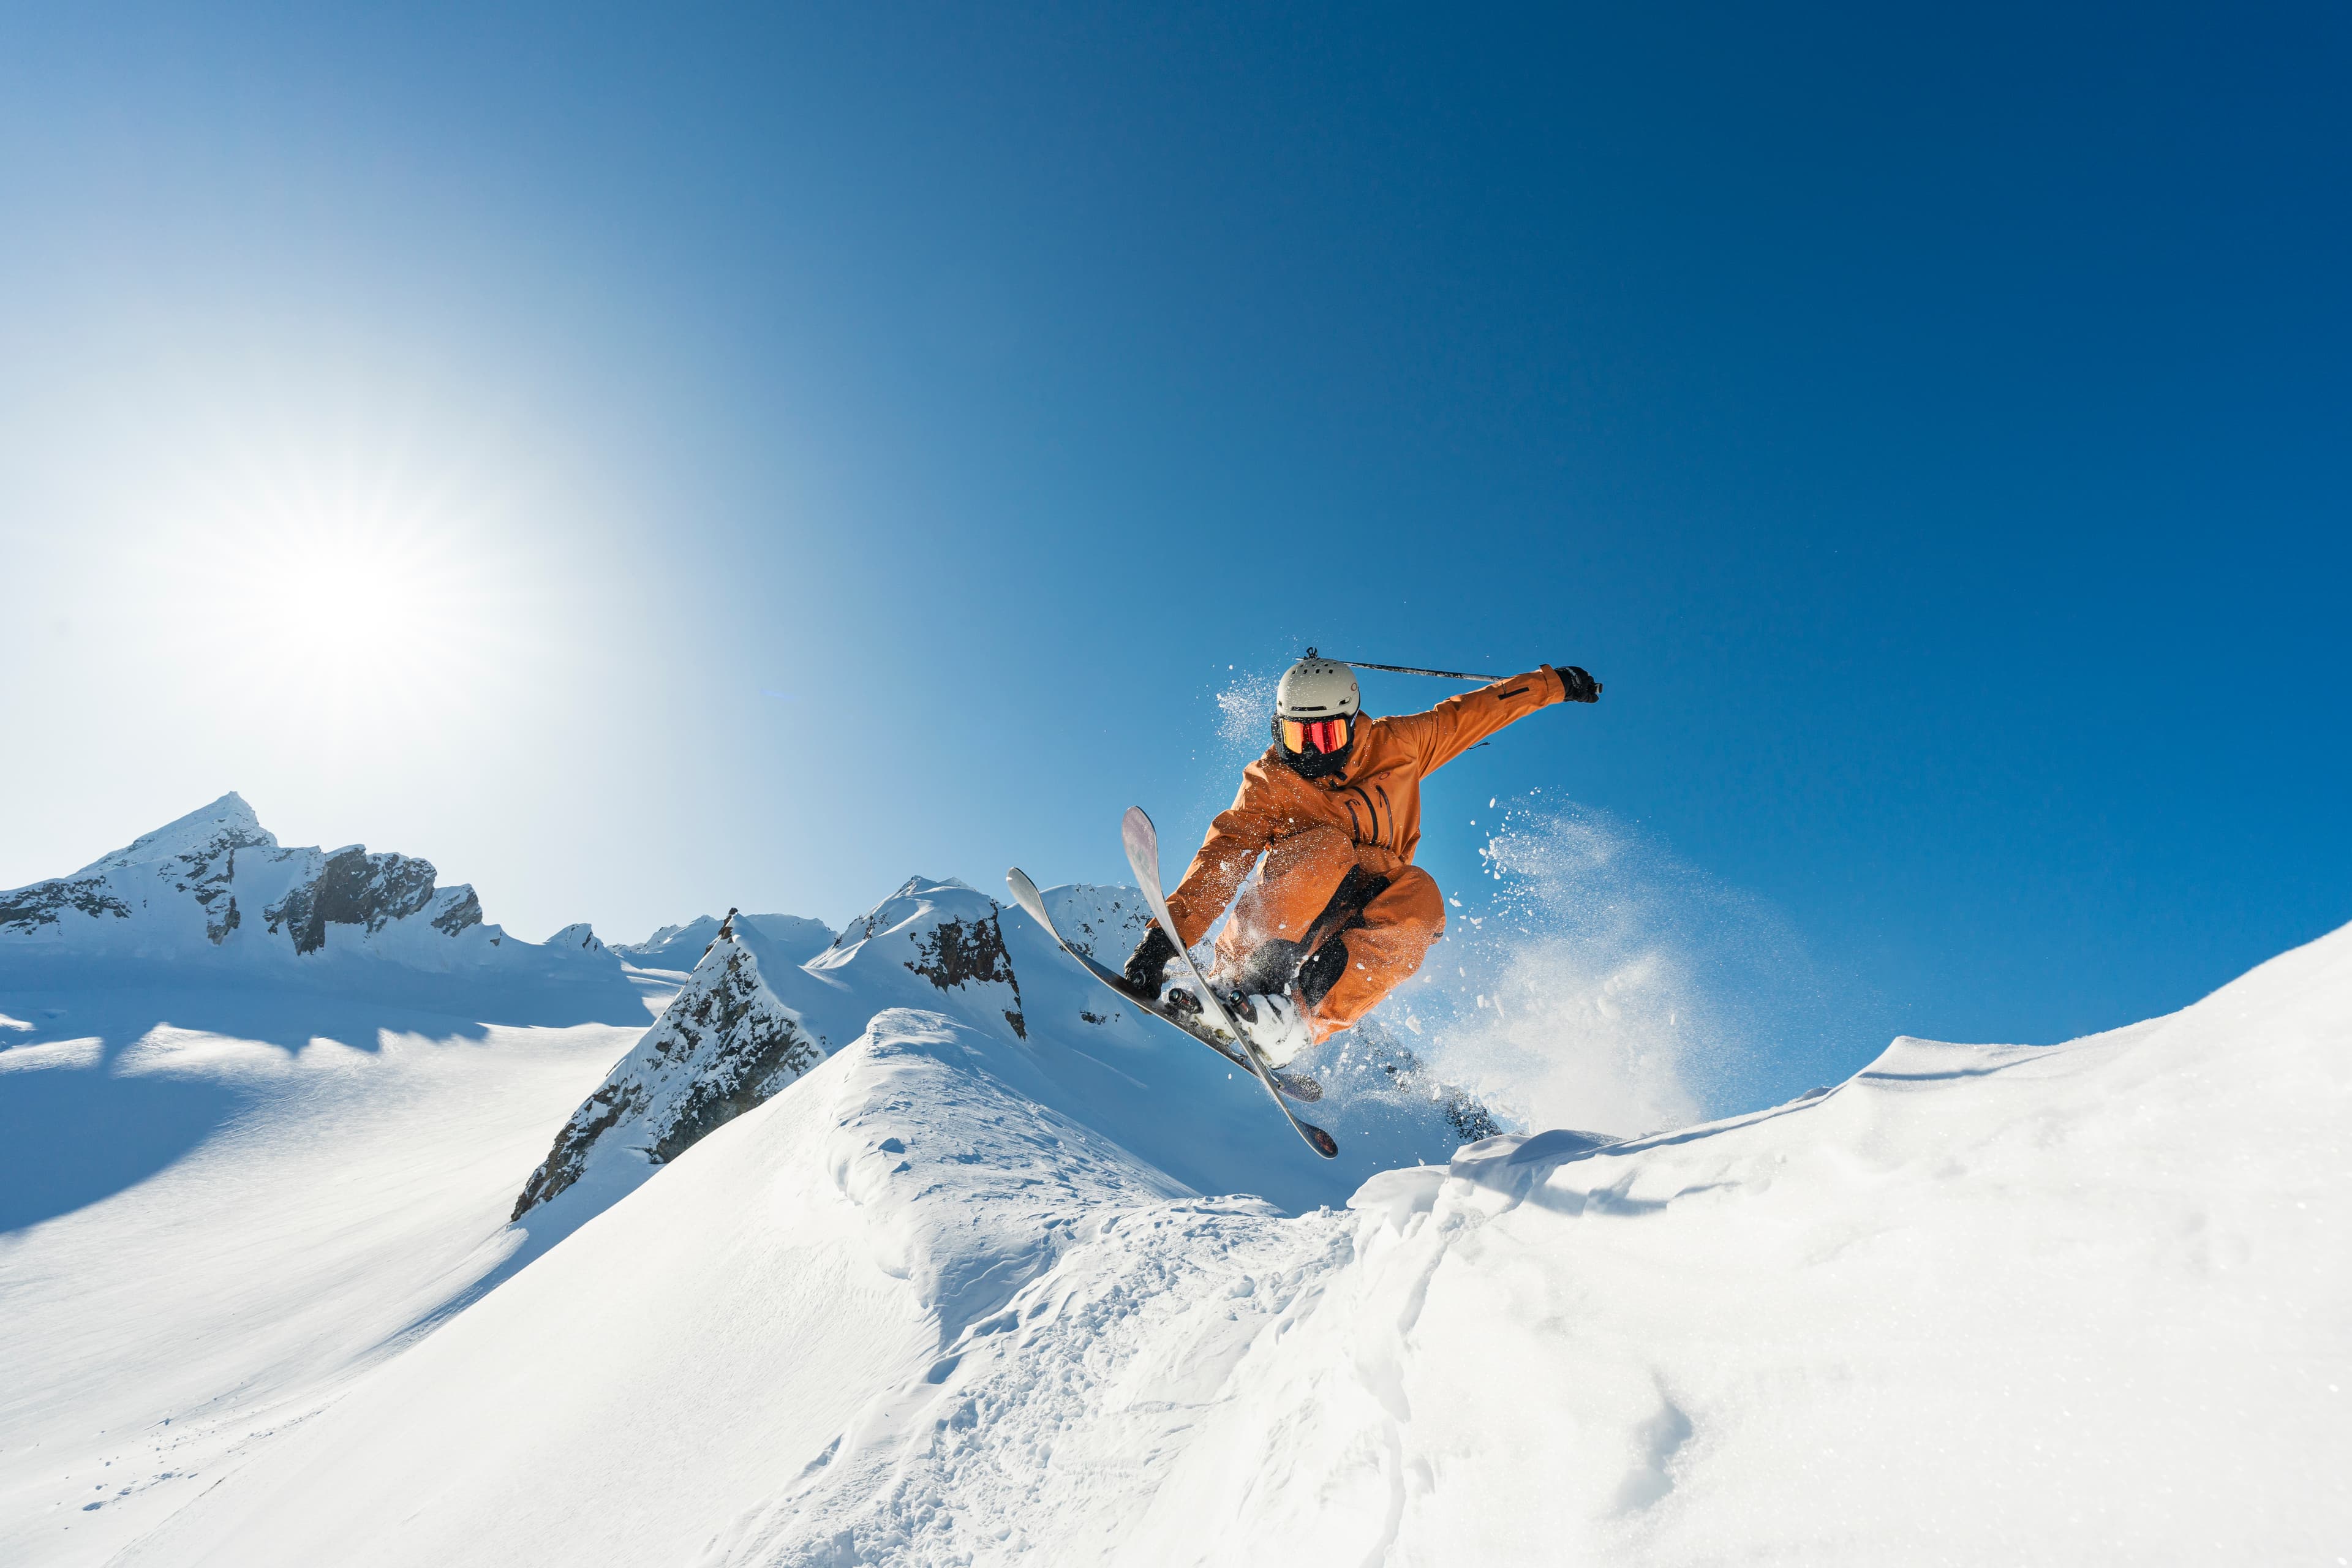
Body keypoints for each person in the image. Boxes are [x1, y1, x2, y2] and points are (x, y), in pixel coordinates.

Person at [1118, 654, 1600, 1065]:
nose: (1310, 753)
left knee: (1423, 902)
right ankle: (1238, 981)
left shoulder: (1399, 746)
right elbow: (1221, 856)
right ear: (1278, 727)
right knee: (1327, 849)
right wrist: (1165, 940)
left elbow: (1475, 712)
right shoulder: (1271, 783)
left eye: (1325, 739)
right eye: (1296, 737)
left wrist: (1554, 685)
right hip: (1288, 904)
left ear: (1351, 725)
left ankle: (1296, 1022)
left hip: (1361, 901)